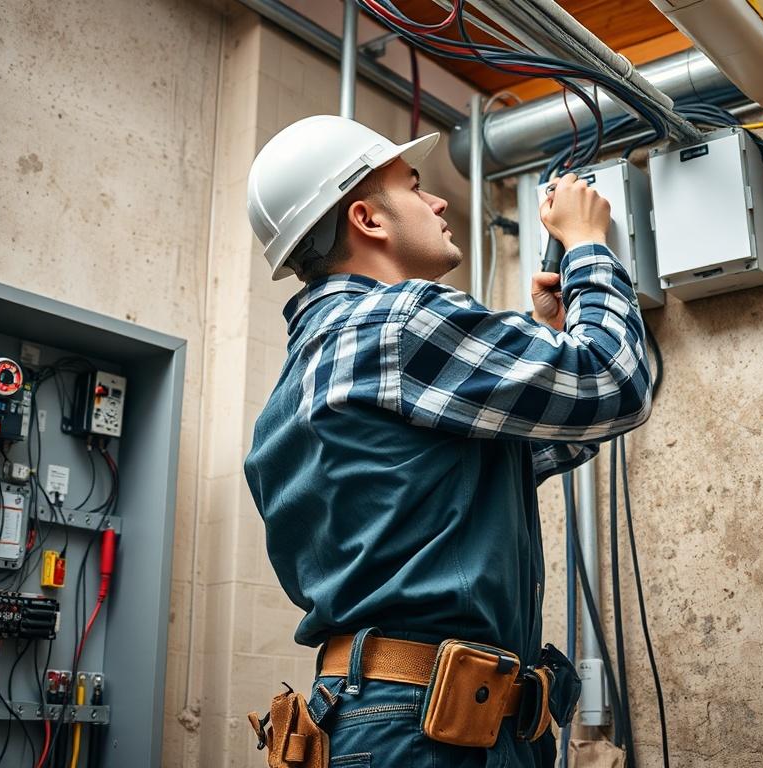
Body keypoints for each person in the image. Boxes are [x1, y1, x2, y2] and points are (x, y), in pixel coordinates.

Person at [244, 115, 651, 768]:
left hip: (371, 719)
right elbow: (614, 382)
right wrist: (587, 247)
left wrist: (547, 342)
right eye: (413, 186)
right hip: (434, 726)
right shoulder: (402, 321)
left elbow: (504, 462)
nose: (437, 202)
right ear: (368, 221)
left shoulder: (298, 378)